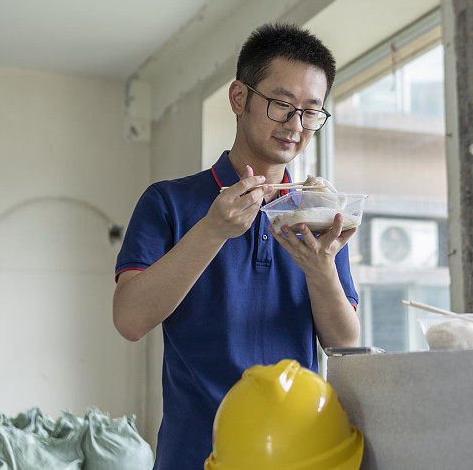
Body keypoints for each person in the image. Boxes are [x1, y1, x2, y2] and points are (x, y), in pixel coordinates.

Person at [112, 23, 361, 468]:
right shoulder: (169, 201)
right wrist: (211, 231)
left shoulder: (320, 212)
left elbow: (345, 345)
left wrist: (321, 270)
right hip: (197, 455)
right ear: (239, 98)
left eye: (311, 112)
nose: (296, 125)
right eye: (282, 104)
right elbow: (130, 319)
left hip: (301, 455)